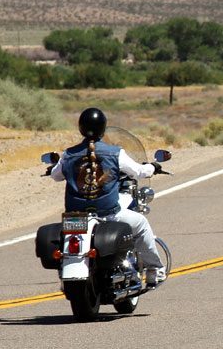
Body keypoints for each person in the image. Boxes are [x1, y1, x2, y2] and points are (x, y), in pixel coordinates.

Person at [49, 108, 166, 288]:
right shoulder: (115, 152)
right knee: (141, 223)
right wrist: (152, 167)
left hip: (76, 217)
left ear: (81, 128)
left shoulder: (68, 154)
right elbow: (139, 172)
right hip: (108, 215)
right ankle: (154, 269)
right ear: (103, 128)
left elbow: (56, 176)